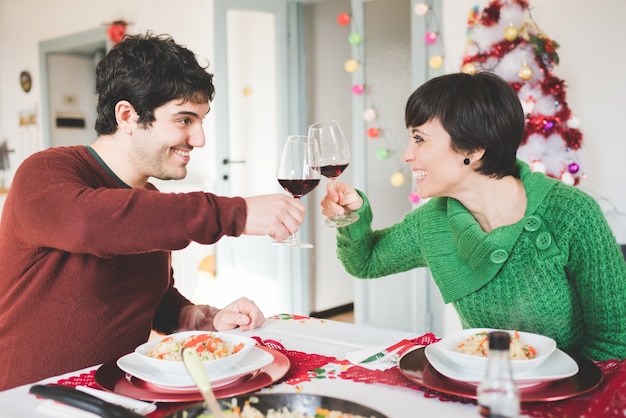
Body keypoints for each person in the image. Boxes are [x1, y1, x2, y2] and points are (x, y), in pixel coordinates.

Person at [0, 33, 307, 390]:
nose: (199, 139)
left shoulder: (149, 201)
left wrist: (203, 318)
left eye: (201, 120)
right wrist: (236, 213)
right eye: (184, 120)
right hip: (33, 402)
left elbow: (153, 298)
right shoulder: (44, 174)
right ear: (128, 116)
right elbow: (91, 224)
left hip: (119, 395)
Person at [321, 72, 626, 361]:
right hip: (487, 391)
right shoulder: (433, 223)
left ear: (473, 148)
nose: (407, 154)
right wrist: (353, 214)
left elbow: (614, 342)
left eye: (419, 138)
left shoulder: (572, 213)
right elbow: (366, 261)